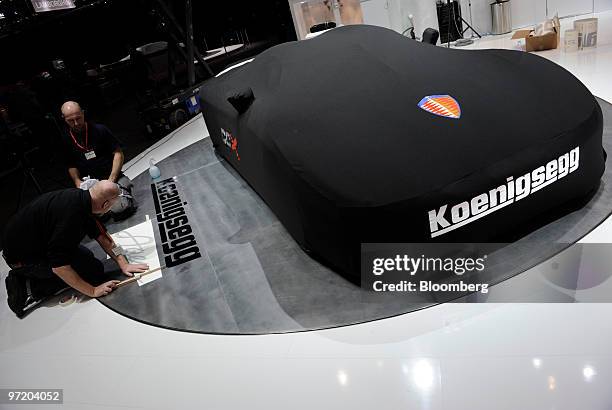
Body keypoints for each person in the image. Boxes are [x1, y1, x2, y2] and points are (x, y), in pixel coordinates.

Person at [2, 180, 149, 317]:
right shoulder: (71, 219)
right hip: (23, 258)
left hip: (38, 242)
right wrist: (93, 291)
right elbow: (59, 267)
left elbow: (103, 237)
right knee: (90, 275)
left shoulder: (84, 200)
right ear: (104, 205)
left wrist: (123, 263)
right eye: (113, 203)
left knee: (92, 266)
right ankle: (28, 286)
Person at [60, 101, 136, 221]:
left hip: (112, 177)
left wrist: (111, 180)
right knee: (91, 216)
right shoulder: (66, 140)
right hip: (91, 185)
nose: (75, 123)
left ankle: (121, 191)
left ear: (83, 113)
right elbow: (71, 164)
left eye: (78, 118)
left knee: (121, 209)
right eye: (70, 120)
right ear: (64, 119)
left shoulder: (99, 130)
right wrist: (77, 181)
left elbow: (118, 153)